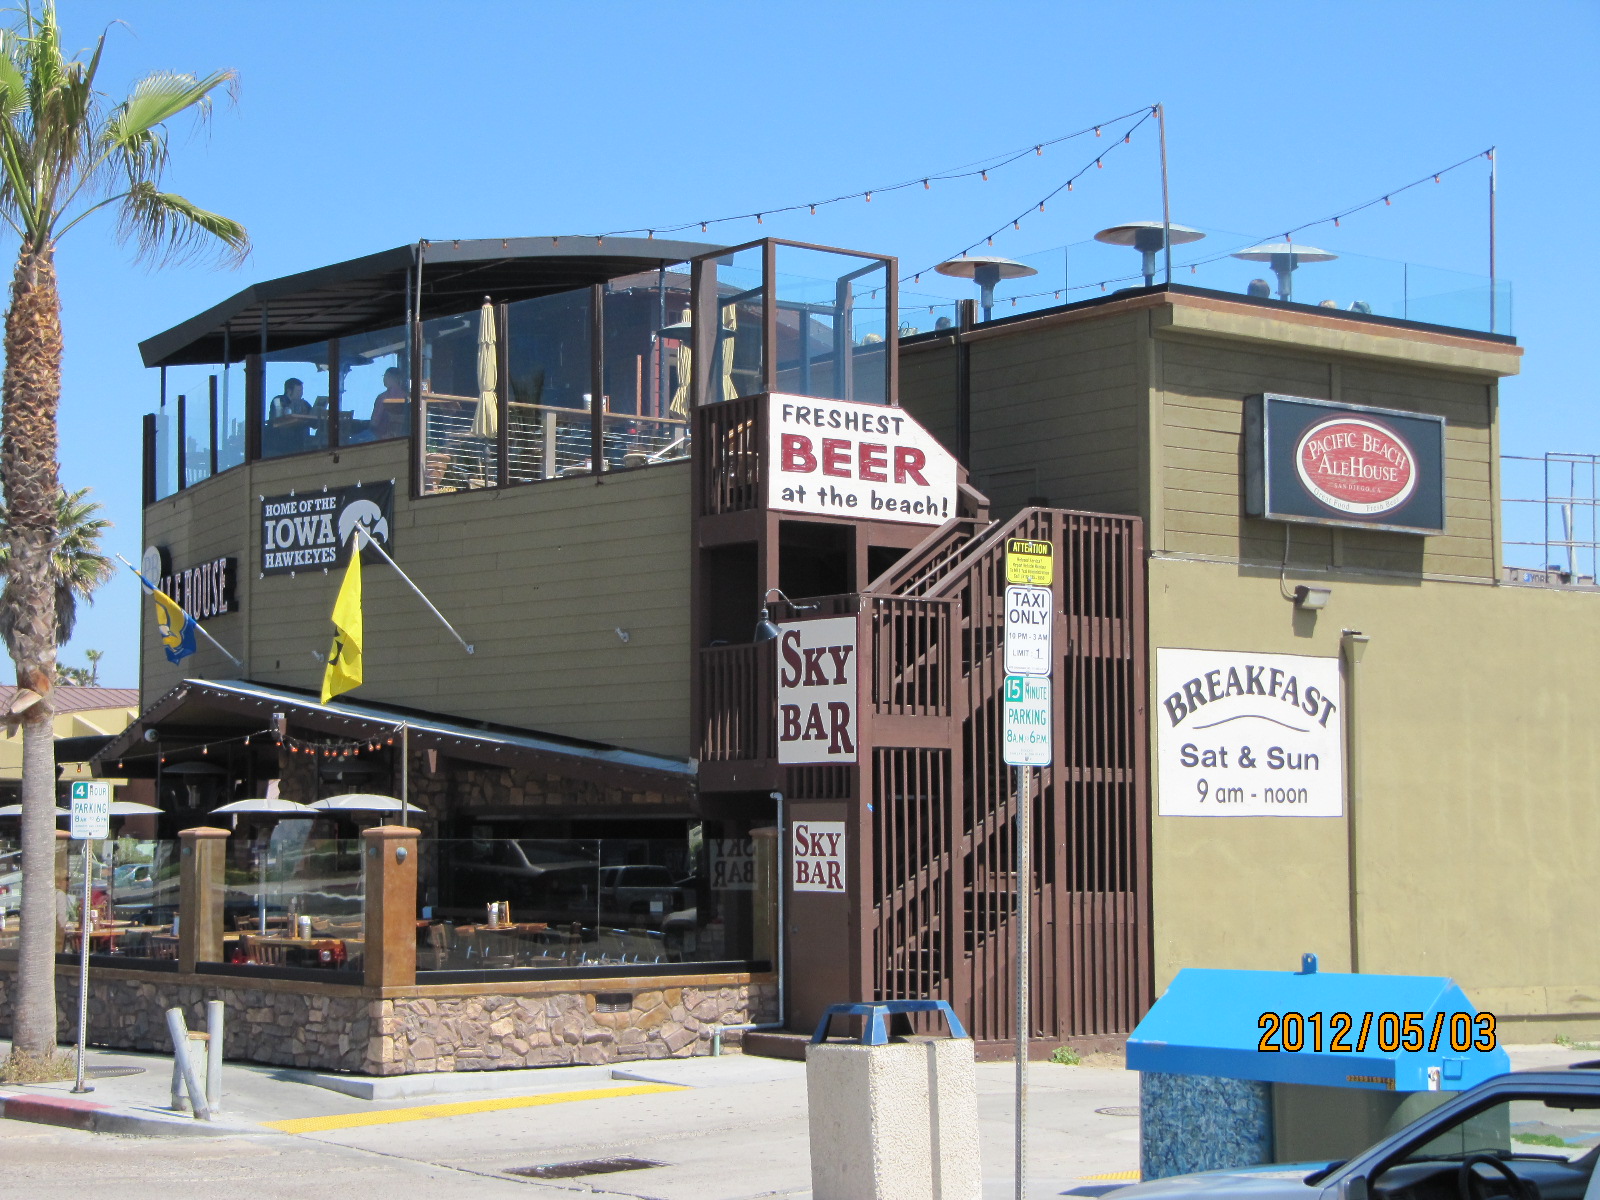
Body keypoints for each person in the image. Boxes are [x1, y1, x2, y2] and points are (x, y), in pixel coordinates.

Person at [369, 366, 409, 440]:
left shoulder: (383, 397)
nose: (383, 379)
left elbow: (374, 422)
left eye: (385, 376)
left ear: (390, 377)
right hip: (401, 437)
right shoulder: (407, 397)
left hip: (379, 437)